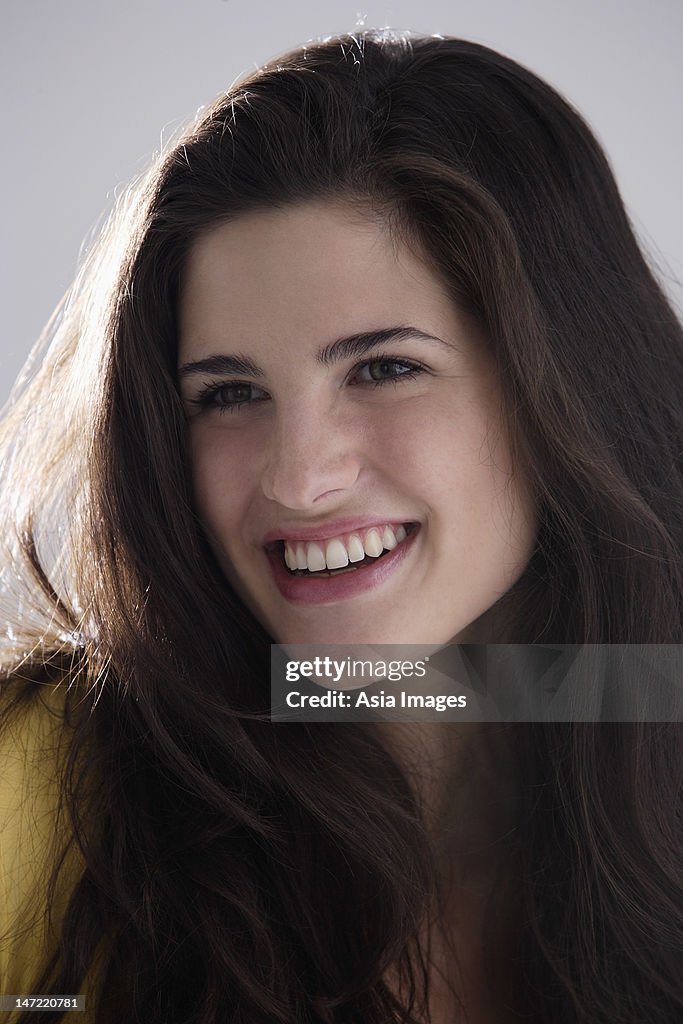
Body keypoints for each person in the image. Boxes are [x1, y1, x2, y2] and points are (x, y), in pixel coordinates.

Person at [0, 29, 681, 1024]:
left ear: (570, 387)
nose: (300, 479)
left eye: (383, 367)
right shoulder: (38, 790)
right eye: (227, 392)